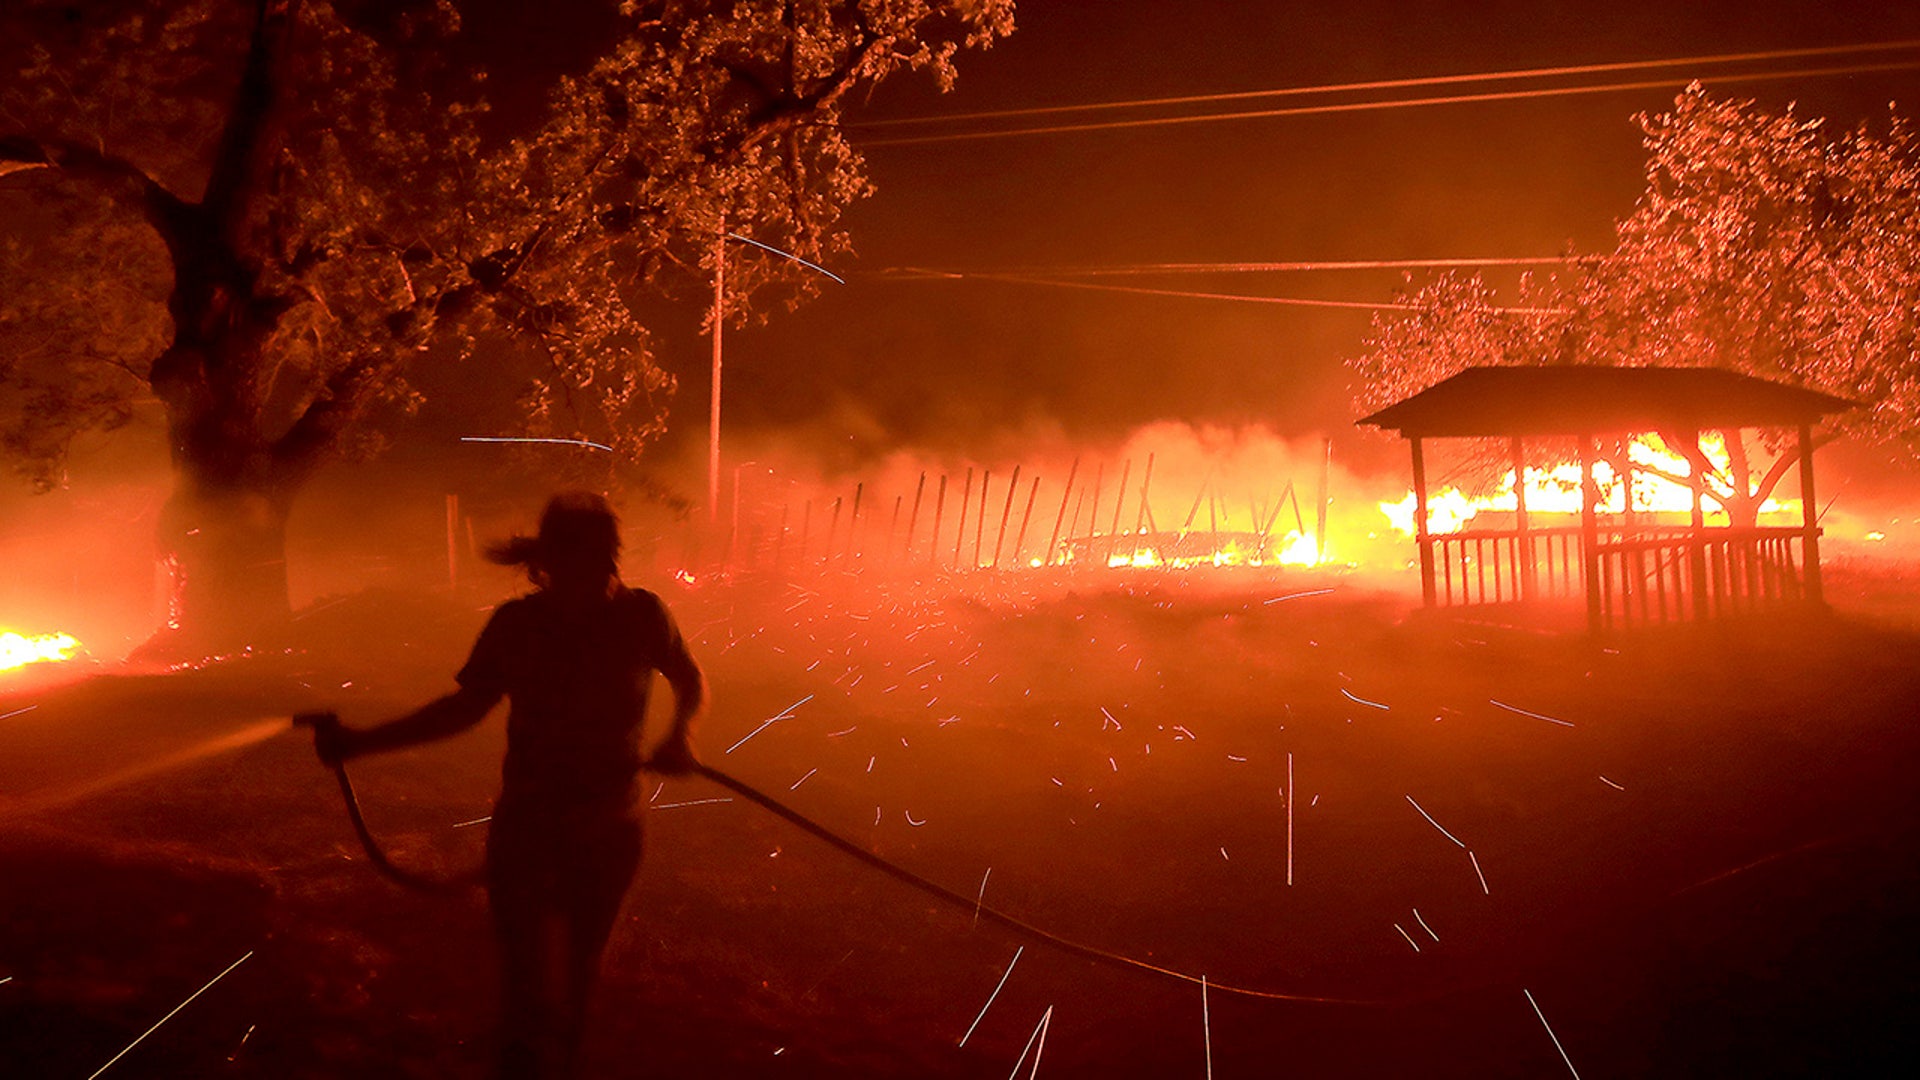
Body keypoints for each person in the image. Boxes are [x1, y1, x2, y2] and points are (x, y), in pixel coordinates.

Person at [315, 491, 706, 1079]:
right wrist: (363, 742)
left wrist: (680, 734)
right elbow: (464, 709)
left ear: (612, 559)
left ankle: (564, 1058)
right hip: (530, 824)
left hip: (610, 826)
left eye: (600, 561)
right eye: (575, 562)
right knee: (524, 976)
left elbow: (688, 676)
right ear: (549, 562)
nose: (590, 576)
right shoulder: (518, 626)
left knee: (581, 968)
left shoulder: (643, 616)